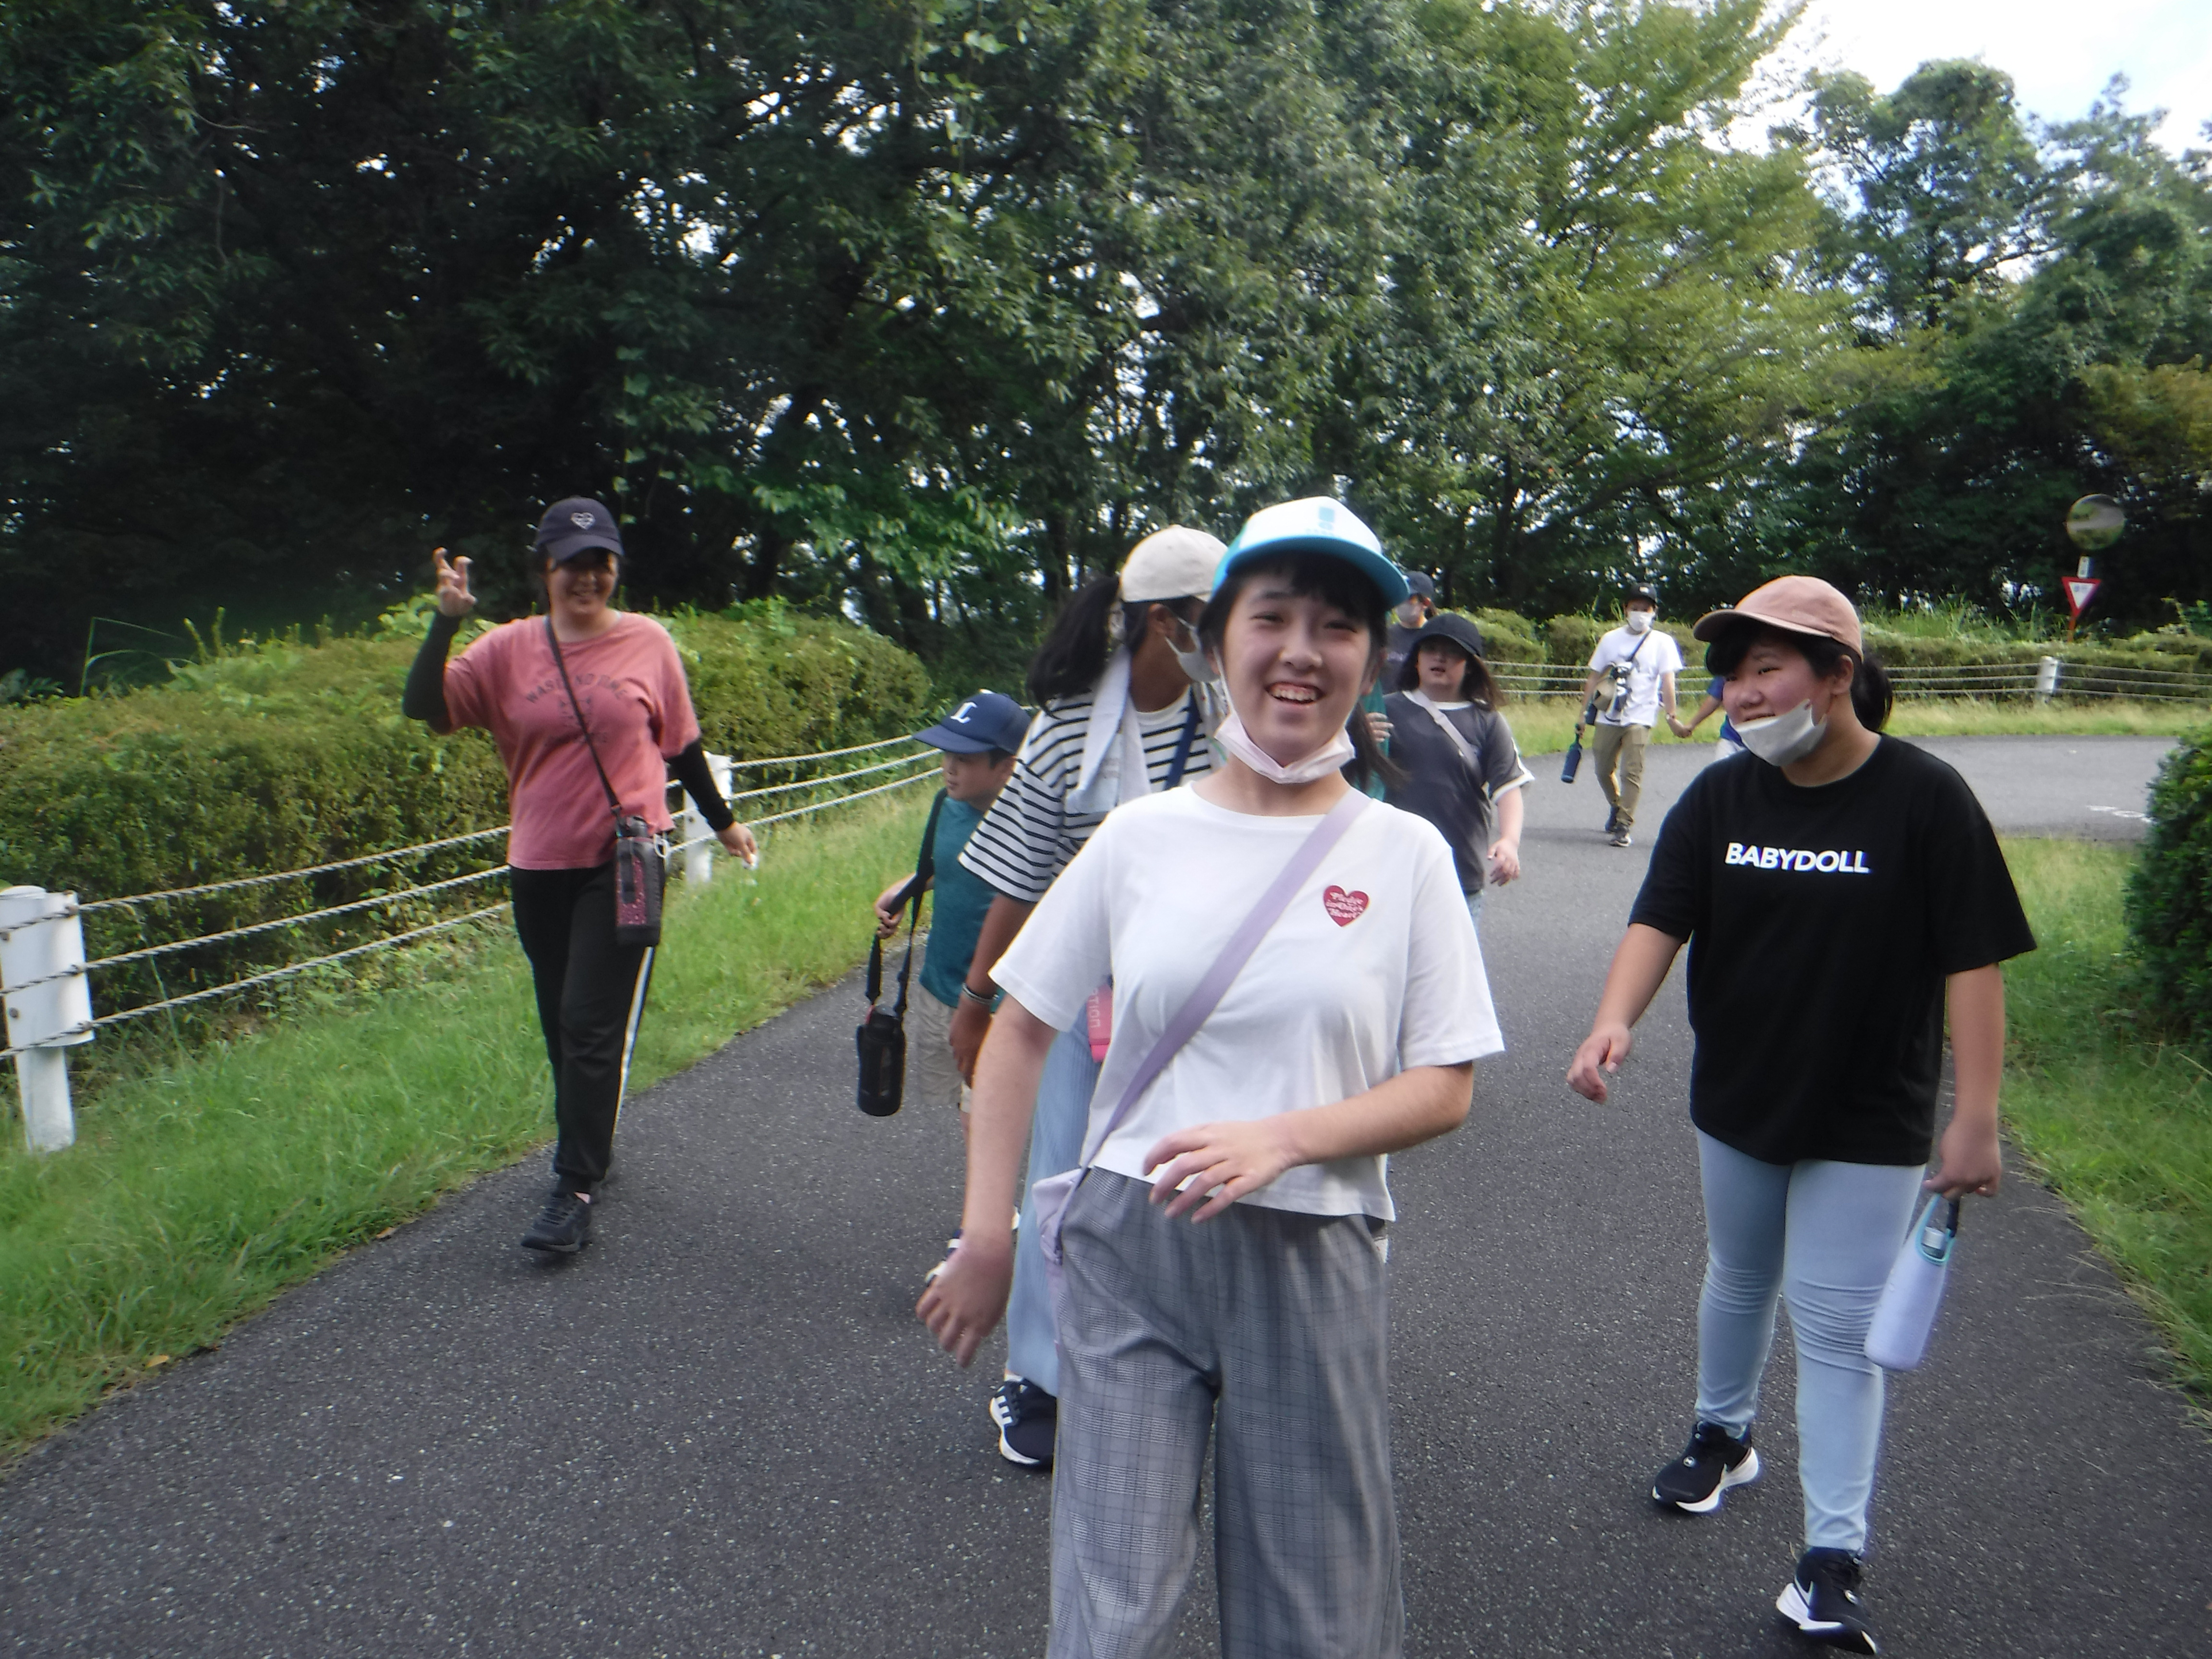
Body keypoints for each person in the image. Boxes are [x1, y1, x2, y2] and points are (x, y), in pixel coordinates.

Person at [919, 497, 1500, 1658]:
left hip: (1312, 1243)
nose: (1300, 650)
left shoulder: (1405, 854)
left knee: (1315, 1609)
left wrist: (1285, 1136)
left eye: (1335, 625)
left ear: (1369, 656)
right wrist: (991, 1239)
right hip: (1134, 1242)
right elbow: (1021, 1024)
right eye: (1271, 616)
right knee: (1109, 1603)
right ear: (1215, 640)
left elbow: (1445, 1083)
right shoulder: (1143, 834)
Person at [1565, 575, 2034, 1655]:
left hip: (1870, 1112)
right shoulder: (1724, 799)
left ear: (1837, 676)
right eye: (1731, 671)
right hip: (1738, 1094)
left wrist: (1979, 1114)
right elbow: (1662, 915)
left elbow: (1974, 961)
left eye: (1768, 667)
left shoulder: (1925, 798)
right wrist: (1612, 1019)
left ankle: (1832, 1557)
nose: (1740, 691)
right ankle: (1724, 1437)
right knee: (1737, 1273)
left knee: (1834, 1325)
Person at [401, 498, 757, 1256]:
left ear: (616, 569)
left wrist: (722, 823)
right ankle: (590, 1143)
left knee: (590, 1023)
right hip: (537, 865)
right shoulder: (504, 650)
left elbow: (682, 747)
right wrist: (445, 623)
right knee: (559, 1021)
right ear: (545, 571)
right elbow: (423, 706)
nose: (587, 576)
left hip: (624, 861)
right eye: (572, 562)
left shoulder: (648, 643)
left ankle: (575, 1187)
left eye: (601, 562)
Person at [944, 526, 1225, 1467]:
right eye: (1211, 618)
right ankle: (1040, 1372)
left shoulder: (1233, 718)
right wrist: (978, 1000)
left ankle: (1183, 1352)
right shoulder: (1070, 720)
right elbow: (1021, 873)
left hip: (1202, 994)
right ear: (1163, 622)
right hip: (1081, 987)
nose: (1227, 635)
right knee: (1061, 1175)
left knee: (1188, 1178)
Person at [868, 690, 1030, 1131]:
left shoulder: (1031, 826)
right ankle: (993, 1200)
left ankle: (993, 1203)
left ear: (1007, 766)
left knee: (982, 1113)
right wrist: (900, 894)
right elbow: (941, 868)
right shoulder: (946, 805)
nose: (949, 766)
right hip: (940, 985)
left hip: (996, 1001)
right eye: (947, 754)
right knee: (965, 1104)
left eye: (966, 758)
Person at [1381, 612, 1532, 934]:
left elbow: (1508, 788)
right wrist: (1358, 737)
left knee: (1452, 975)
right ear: (1416, 659)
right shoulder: (1383, 710)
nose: (1441, 657)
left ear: (1470, 664)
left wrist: (1509, 841)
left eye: (1453, 652)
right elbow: (1345, 774)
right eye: (1431, 648)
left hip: (1460, 870)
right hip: (1390, 867)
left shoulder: (1488, 721)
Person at [1579, 587, 1683, 847]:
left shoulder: (1662, 642)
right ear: (1626, 610)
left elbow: (1668, 681)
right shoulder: (1611, 639)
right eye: (1634, 608)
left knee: (1632, 771)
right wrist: (1582, 714)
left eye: (1645, 609)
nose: (1639, 614)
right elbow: (1594, 676)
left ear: (1654, 612)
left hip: (1642, 714)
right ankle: (1616, 805)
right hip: (1609, 715)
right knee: (1603, 768)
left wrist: (1671, 714)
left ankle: (1624, 824)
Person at [1381, 570, 1438, 686]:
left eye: (1409, 597)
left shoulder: (1435, 638)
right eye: (1399, 594)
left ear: (1425, 603)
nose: (1402, 602)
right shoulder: (1384, 635)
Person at [1672, 676, 1745, 759]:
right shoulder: (1727, 667)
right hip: (1732, 737)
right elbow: (1715, 698)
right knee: (1721, 769)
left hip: (1761, 740)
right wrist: (1691, 725)